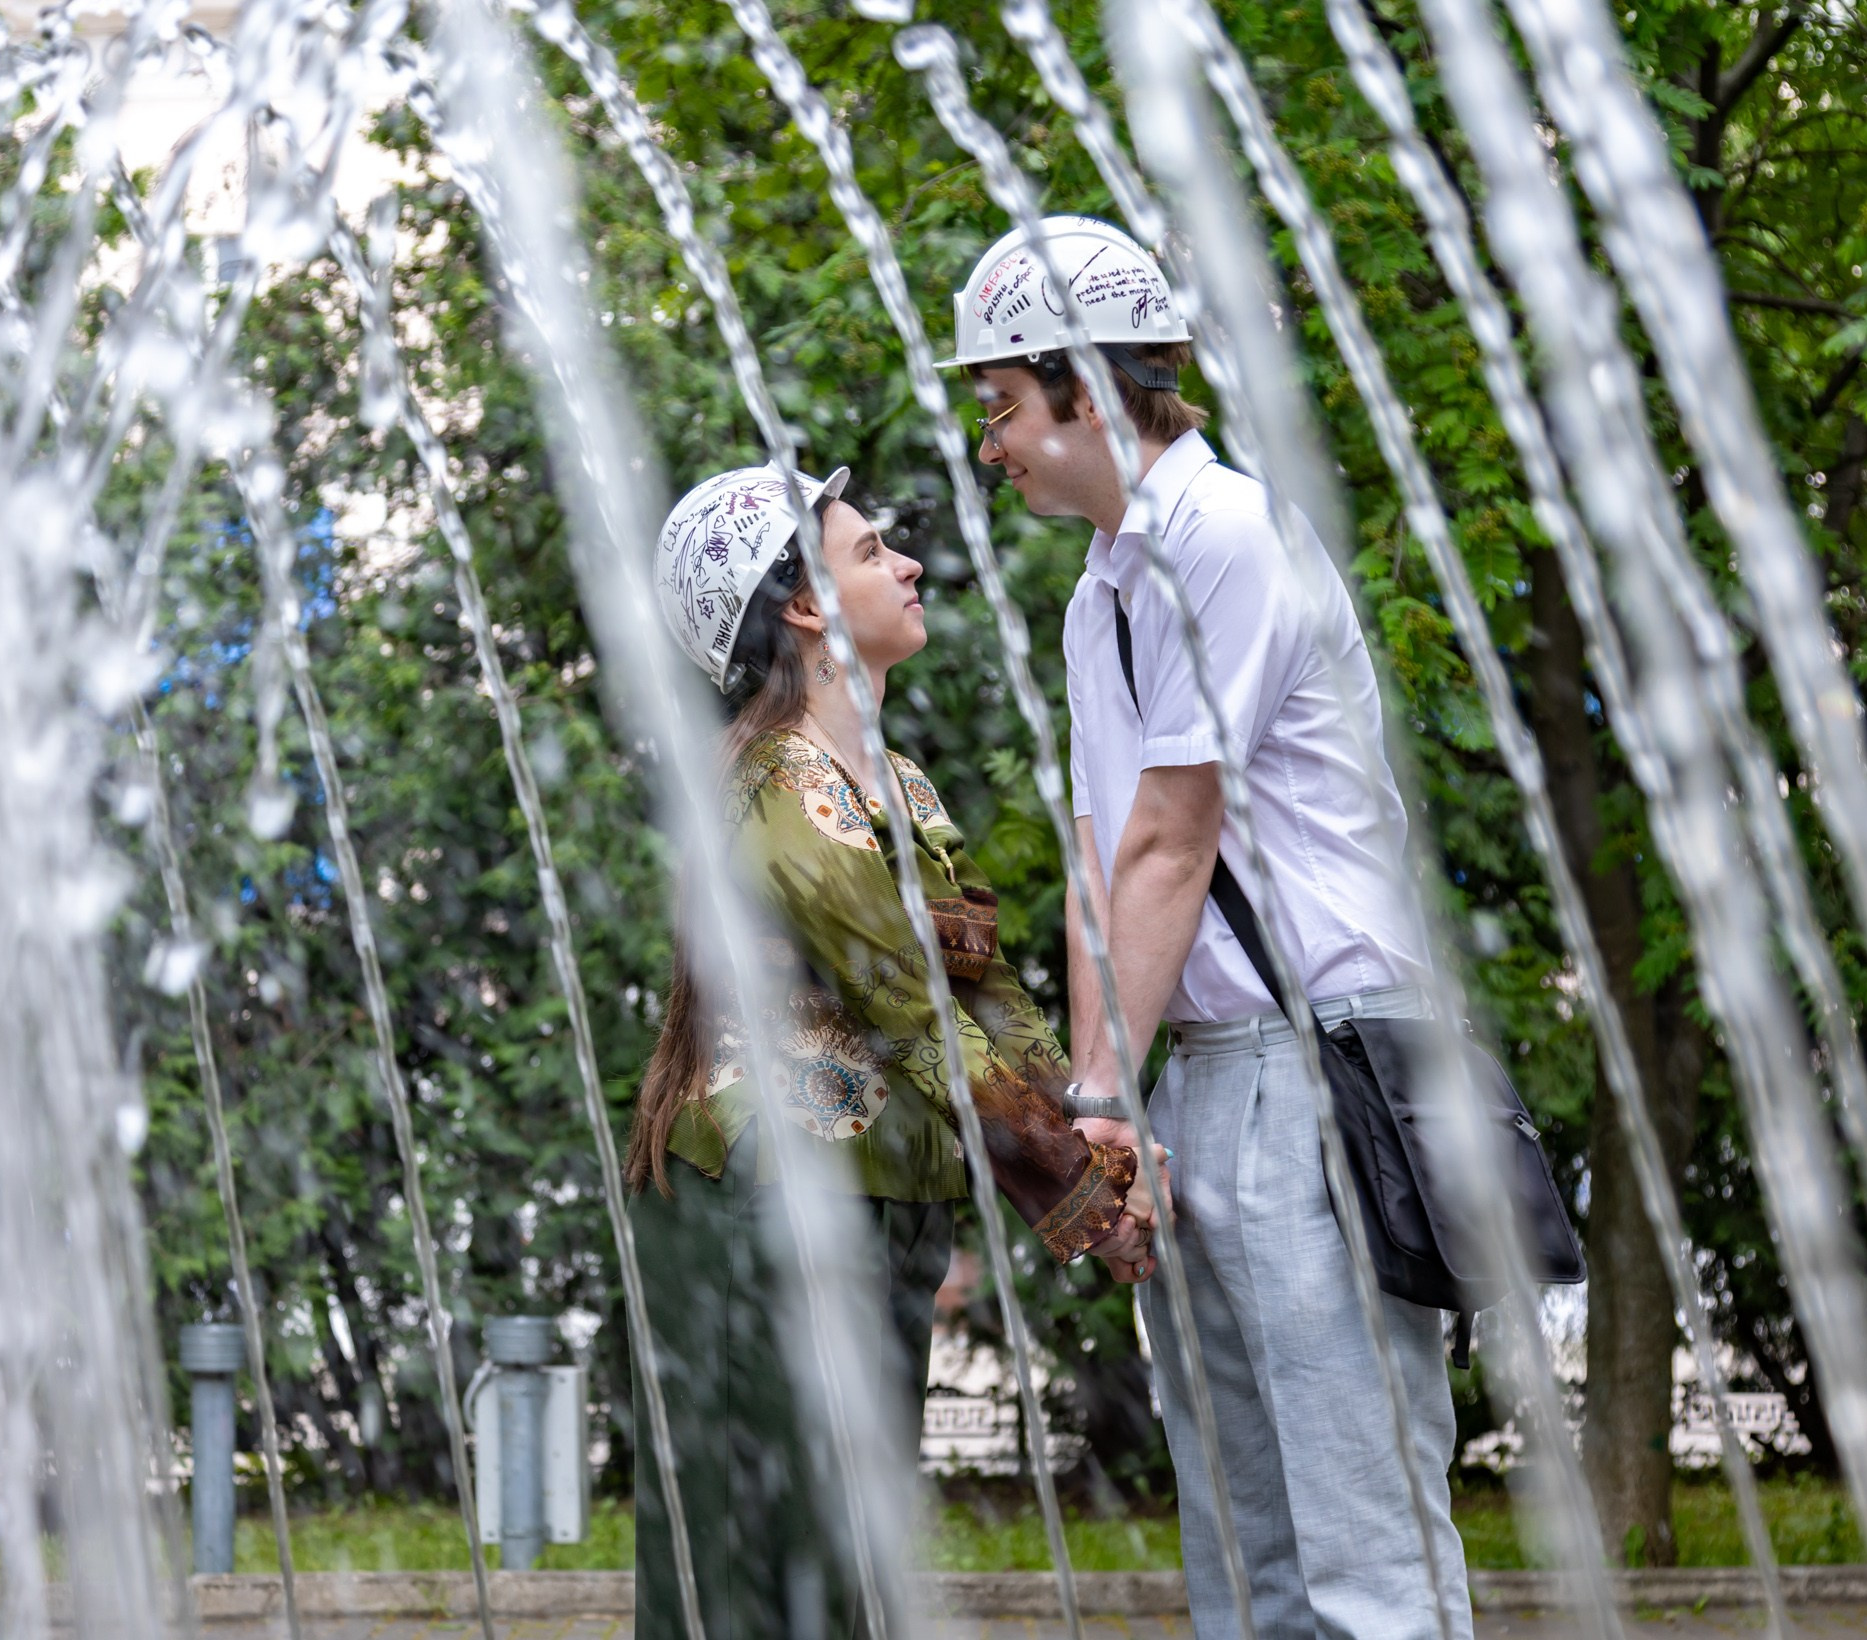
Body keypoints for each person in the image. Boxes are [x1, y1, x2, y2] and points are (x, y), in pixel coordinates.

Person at [944, 217, 1474, 1639]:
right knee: (1245, 1560)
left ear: (1087, 389)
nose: (990, 446)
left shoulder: (1225, 536)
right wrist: (1105, 1116)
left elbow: (1176, 841)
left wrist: (1104, 1099)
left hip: (1318, 1070)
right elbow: (1100, 866)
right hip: (1200, 1074)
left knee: (1366, 1551)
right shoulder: (1101, 591)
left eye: (1002, 406)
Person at [627, 461, 1156, 1640]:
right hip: (769, 1215)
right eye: (870, 550)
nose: (909, 562)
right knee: (774, 1571)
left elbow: (985, 992)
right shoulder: (780, 786)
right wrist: (1083, 1200)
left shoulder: (897, 781)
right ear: (803, 605)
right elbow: (917, 1012)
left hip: (878, 1204)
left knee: (852, 1559)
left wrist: (1097, 1138)